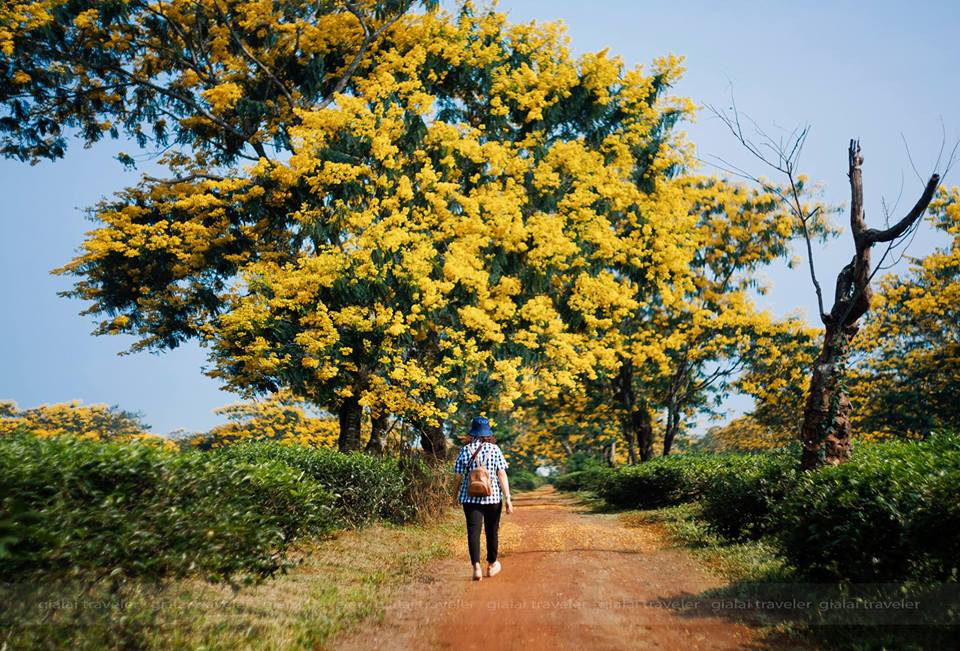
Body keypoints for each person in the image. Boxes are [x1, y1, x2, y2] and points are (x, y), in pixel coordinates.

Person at [453, 416, 513, 581]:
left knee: (473, 531)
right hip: (492, 498)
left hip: (469, 497)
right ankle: (492, 564)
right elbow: (502, 474)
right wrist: (507, 498)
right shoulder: (494, 449)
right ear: (488, 433)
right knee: (492, 531)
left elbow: (458, 476)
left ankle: (476, 567)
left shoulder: (465, 450)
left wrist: (454, 496)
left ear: (472, 432)